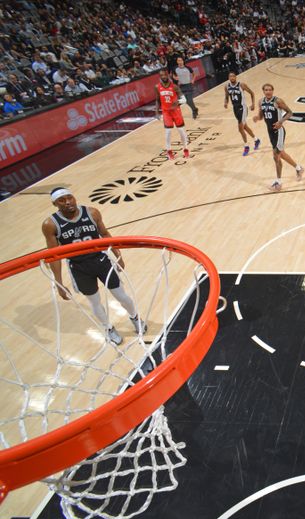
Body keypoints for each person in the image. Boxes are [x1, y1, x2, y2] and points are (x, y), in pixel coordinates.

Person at [41, 188, 147, 345]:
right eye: (62, 200)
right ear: (54, 204)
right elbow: (54, 255)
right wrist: (59, 284)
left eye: (70, 197)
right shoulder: (50, 224)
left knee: (121, 296)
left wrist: (118, 256)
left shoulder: (92, 212)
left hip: (101, 261)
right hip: (79, 267)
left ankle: (135, 317)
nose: (68, 202)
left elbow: (104, 234)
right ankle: (108, 328)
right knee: (95, 301)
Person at [253, 83, 305, 191]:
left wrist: (281, 121)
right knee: (281, 154)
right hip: (270, 132)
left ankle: (278, 182)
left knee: (276, 156)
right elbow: (262, 116)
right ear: (263, 91)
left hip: (279, 131)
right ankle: (298, 168)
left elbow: (290, 112)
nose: (268, 91)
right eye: (266, 90)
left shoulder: (278, 101)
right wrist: (257, 118)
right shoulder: (261, 102)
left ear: (273, 91)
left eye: (270, 90)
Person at [155, 68, 189, 160]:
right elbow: (158, 100)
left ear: (168, 75)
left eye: (165, 75)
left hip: (176, 111)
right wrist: (157, 112)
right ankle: (169, 151)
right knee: (168, 132)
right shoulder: (157, 87)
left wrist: (177, 102)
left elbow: (184, 99)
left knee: (181, 131)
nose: (163, 77)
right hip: (166, 112)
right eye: (161, 75)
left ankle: (186, 149)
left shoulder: (174, 87)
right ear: (160, 77)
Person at [224, 72, 260, 156]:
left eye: (233, 76)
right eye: (230, 76)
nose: (232, 77)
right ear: (228, 78)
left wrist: (253, 104)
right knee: (245, 127)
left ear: (236, 77)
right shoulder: (227, 86)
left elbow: (252, 93)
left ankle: (246, 146)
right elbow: (226, 96)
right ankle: (256, 140)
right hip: (235, 109)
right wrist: (226, 102)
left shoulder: (241, 85)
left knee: (240, 128)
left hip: (243, 108)